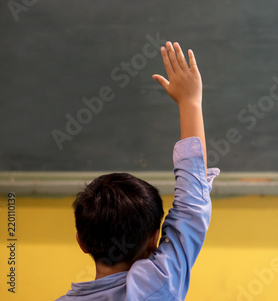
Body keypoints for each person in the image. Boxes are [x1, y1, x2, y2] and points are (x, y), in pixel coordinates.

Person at [56, 41, 219, 300]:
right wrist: (190, 102)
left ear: (81, 241)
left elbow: (193, 208)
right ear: (155, 239)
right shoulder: (155, 287)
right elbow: (192, 207)